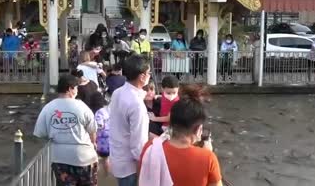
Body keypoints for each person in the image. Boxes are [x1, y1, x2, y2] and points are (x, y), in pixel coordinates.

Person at [139, 90, 222, 186]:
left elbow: (141, 177)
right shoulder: (208, 158)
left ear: (171, 123)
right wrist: (208, 152)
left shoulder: (150, 147)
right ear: (199, 129)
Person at [33, 75, 98, 186]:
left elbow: (40, 133)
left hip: (60, 160)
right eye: (76, 88)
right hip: (84, 158)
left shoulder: (48, 108)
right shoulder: (82, 106)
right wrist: (93, 143)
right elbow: (92, 130)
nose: (77, 91)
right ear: (69, 89)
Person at [109, 55, 151, 186]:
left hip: (117, 157)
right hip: (131, 167)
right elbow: (138, 144)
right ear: (142, 77)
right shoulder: (137, 105)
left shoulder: (118, 92)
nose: (149, 76)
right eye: (148, 73)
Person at [94, 95, 111, 176]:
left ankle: (99, 176)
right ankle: (108, 176)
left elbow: (99, 126)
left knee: (99, 158)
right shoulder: (116, 110)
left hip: (102, 140)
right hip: (114, 139)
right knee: (108, 160)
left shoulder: (100, 112)